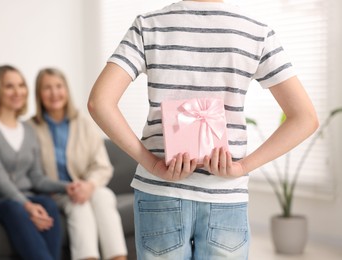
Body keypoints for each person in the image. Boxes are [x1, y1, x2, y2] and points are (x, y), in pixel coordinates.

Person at [87, 0, 319, 259]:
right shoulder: (256, 31)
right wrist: (242, 166)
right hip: (225, 194)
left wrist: (152, 164)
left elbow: (99, 103)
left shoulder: (148, 25)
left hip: (161, 190)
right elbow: (305, 118)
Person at [0, 65, 77, 260]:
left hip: (22, 200)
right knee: (14, 208)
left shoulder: (29, 129)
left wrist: (68, 186)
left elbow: (36, 178)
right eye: (9, 86)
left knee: (48, 204)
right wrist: (26, 205)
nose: (17, 92)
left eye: (21, 85)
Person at [30, 68, 128, 260]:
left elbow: (102, 165)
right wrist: (67, 188)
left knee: (104, 196)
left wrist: (89, 185)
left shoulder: (84, 123)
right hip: (55, 193)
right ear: (39, 94)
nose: (54, 93)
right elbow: (31, 172)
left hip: (86, 187)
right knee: (79, 207)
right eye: (47, 88)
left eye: (59, 86)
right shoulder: (30, 128)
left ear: (66, 90)